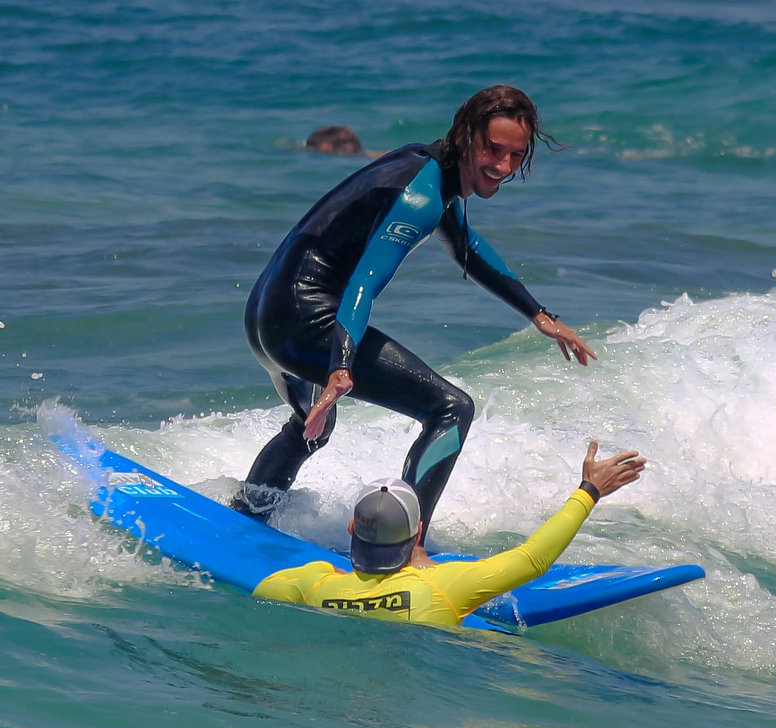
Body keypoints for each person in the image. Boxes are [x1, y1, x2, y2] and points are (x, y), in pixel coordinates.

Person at [235, 86, 597, 539]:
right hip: (303, 320)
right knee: (450, 408)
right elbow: (364, 282)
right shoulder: (421, 197)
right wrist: (341, 367)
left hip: (266, 312)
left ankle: (246, 517)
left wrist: (540, 316)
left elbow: (467, 247)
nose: (503, 166)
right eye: (492, 149)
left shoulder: (429, 168)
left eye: (515, 155)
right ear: (466, 136)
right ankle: (403, 547)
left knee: (312, 426)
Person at [252, 441, 645, 626]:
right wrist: (589, 490)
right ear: (417, 531)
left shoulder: (311, 584)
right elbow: (533, 559)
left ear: (352, 528)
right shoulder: (443, 586)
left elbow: (261, 591)